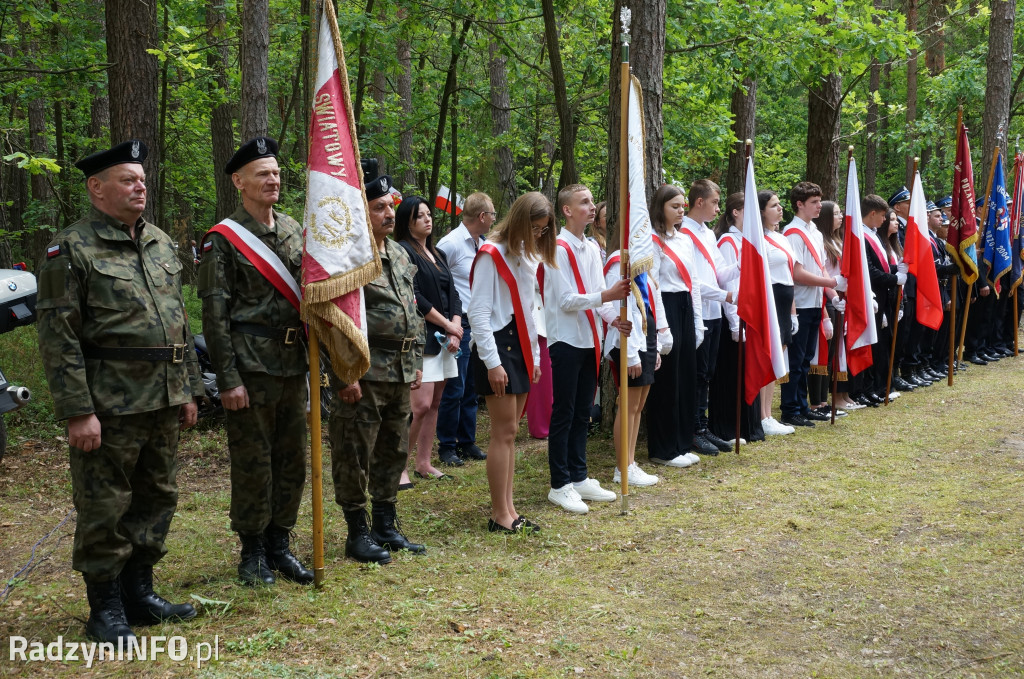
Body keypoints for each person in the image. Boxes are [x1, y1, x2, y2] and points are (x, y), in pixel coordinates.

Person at [36, 140, 201, 643]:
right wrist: (77, 411)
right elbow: (58, 335)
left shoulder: (161, 243)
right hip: (109, 402)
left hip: (165, 396)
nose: (140, 187)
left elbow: (178, 321)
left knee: (157, 496)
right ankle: (105, 606)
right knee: (105, 503)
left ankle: (139, 591)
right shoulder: (71, 248)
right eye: (128, 180)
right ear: (97, 188)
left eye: (142, 179)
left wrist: (190, 388)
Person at [199, 138, 312, 587]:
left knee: (291, 460)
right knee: (253, 462)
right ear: (239, 181)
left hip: (292, 364)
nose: (273, 179)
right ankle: (252, 551)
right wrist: (227, 379)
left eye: (277, 172)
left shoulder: (291, 228)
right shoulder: (223, 239)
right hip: (250, 367)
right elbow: (215, 315)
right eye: (263, 173)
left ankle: (280, 544)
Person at [327, 161, 426, 564]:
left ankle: (386, 524)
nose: (389, 214)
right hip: (365, 372)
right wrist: (343, 374)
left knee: (392, 449)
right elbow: (333, 321)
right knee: (354, 451)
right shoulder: (349, 259)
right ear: (361, 211)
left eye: (391, 206)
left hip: (400, 369)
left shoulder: (400, 256)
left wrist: (416, 359)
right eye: (379, 207)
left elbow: (412, 309)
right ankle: (357, 531)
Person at [469, 191, 555, 532]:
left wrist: (533, 355)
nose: (538, 235)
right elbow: (478, 313)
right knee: (502, 432)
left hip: (519, 345)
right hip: (499, 346)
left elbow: (531, 312)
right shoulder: (492, 254)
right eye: (534, 227)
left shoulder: (523, 254)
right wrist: (492, 363)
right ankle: (498, 514)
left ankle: (509, 508)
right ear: (520, 220)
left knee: (512, 432)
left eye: (543, 230)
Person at [542, 184, 629, 514]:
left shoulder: (592, 247)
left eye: (593, 201)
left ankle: (579, 477)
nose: (592, 207)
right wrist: (606, 297)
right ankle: (559, 483)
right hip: (565, 340)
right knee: (564, 412)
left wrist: (612, 319)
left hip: (589, 338)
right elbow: (565, 300)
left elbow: (595, 293)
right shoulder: (558, 248)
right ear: (567, 210)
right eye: (584, 202)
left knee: (582, 413)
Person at [395, 196, 462, 483]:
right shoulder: (403, 252)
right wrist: (446, 324)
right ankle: (400, 466)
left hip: (446, 337)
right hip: (421, 336)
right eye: (419, 216)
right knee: (419, 405)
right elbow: (415, 296)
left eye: (428, 214)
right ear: (407, 223)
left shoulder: (439, 253)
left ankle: (424, 462)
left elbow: (454, 294)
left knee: (436, 402)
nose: (427, 219)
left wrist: (455, 326)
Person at [679, 180, 740, 453]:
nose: (718, 208)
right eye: (715, 202)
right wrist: (724, 296)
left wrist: (742, 264)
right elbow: (692, 282)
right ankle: (692, 429)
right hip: (697, 311)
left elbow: (720, 273)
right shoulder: (684, 233)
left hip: (714, 312)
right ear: (699, 202)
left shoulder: (708, 234)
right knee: (698, 373)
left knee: (708, 373)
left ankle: (703, 426)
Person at [648, 184, 705, 466]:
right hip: (665, 307)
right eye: (675, 206)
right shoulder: (652, 240)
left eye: (683, 206)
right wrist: (662, 327)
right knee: (667, 381)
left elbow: (692, 283)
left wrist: (698, 322)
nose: (681, 210)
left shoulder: (684, 240)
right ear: (660, 208)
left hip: (684, 306)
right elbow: (653, 285)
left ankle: (682, 442)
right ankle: (664, 448)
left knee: (685, 377)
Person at [435, 193, 494, 464]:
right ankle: (446, 446)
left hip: (480, 323)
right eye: (492, 214)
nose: (494, 219)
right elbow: (435, 284)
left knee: (471, 387)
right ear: (482, 216)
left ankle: (466, 441)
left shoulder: (482, 244)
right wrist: (448, 325)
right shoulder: (450, 244)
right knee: (454, 388)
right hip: (459, 325)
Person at [604, 234, 665, 487]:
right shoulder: (618, 262)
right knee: (628, 405)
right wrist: (630, 354)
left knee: (638, 406)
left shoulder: (643, 266)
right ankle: (622, 468)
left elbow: (651, 304)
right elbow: (612, 306)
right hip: (628, 341)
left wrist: (658, 344)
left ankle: (630, 462)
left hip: (646, 336)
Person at [781, 181, 843, 428]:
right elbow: (796, 273)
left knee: (806, 358)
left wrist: (832, 294)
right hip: (801, 302)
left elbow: (818, 268)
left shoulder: (815, 231)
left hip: (816, 302)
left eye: (819, 201)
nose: (819, 206)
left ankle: (803, 406)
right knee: (796, 361)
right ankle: (790, 409)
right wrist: (831, 281)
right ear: (799, 204)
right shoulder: (792, 233)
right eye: (814, 203)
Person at [709, 191, 764, 443]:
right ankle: (728, 427)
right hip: (734, 315)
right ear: (736, 212)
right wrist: (734, 322)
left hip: (750, 314)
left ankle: (748, 425)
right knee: (731, 374)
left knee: (746, 370)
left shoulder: (749, 240)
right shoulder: (728, 242)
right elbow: (728, 282)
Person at [758, 190, 798, 433]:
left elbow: (789, 276)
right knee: (767, 356)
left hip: (784, 302)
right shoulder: (758, 238)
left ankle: (768, 414)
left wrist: (793, 312)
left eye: (780, 204)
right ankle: (761, 416)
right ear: (762, 211)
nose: (780, 208)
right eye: (774, 205)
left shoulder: (781, 237)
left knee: (778, 356)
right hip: (769, 300)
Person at [861, 199, 906, 406]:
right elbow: (869, 271)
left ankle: (881, 386)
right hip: (872, 295)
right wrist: (894, 279)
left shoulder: (873, 234)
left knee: (883, 343)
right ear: (872, 214)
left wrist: (897, 271)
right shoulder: (862, 235)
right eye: (882, 215)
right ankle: (870, 387)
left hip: (884, 295)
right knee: (874, 344)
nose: (884, 219)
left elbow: (884, 266)